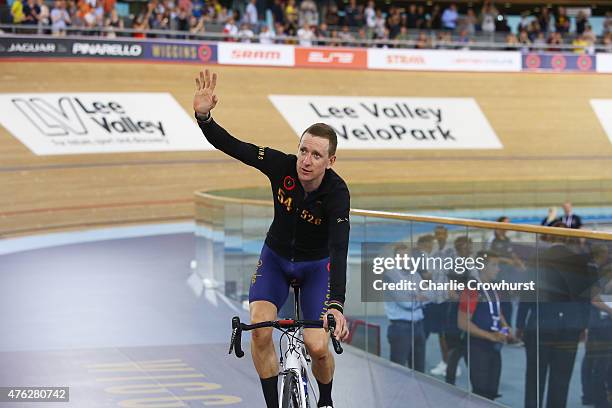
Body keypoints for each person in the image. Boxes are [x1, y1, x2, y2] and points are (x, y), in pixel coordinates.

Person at [193, 70, 350, 408]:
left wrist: (336, 303)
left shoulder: (337, 193)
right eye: (303, 151)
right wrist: (204, 118)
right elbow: (233, 146)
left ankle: (325, 400)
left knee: (318, 347)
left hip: (315, 269)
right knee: (261, 331)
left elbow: (339, 248)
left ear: (331, 161)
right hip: (275, 261)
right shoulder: (281, 165)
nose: (306, 161)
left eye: (316, 155)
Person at [457, 251, 511, 400]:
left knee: (492, 391)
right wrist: (490, 336)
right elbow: (462, 323)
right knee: (481, 394)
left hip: (493, 347)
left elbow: (497, 313)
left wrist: (506, 330)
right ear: (482, 267)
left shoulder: (493, 288)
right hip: (478, 347)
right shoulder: (472, 289)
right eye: (494, 265)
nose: (498, 269)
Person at [384, 242, 431, 372]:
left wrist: (418, 296)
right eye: (402, 256)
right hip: (401, 329)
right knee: (398, 370)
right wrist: (420, 297)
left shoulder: (414, 274)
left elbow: (429, 295)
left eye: (408, 256)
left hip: (419, 326)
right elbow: (406, 303)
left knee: (419, 370)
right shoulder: (390, 276)